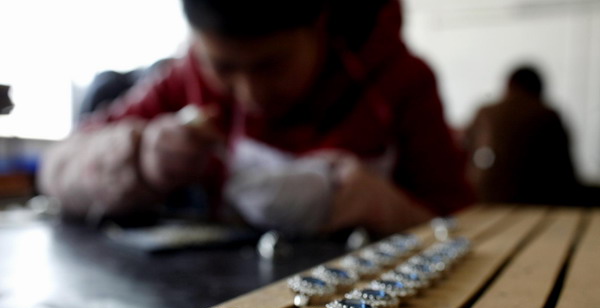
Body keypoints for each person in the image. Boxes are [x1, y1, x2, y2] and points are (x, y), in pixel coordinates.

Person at [39, 0, 474, 236]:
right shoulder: (187, 76)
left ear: (320, 22)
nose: (248, 94)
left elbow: (470, 226)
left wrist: (390, 210)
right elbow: (57, 167)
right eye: (224, 68)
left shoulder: (399, 80)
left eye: (271, 66)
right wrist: (140, 158)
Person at [463, 66, 580, 205]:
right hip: (535, 202)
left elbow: (463, 152)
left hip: (483, 199)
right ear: (539, 90)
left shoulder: (484, 112)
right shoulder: (547, 115)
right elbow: (564, 170)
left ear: (508, 85)